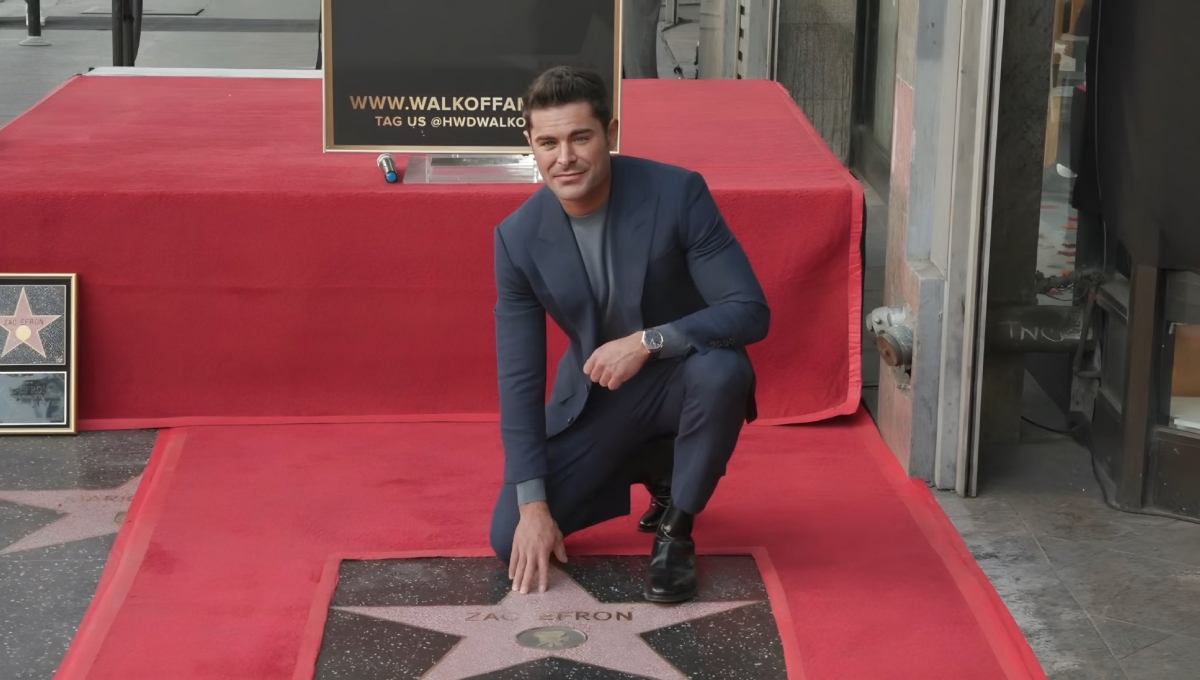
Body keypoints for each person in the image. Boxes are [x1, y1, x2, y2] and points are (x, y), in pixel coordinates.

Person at [489, 66, 769, 603]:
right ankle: (653, 462)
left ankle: (675, 530)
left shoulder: (676, 193)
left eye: (580, 137)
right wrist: (532, 506)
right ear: (530, 144)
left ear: (610, 134)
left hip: (685, 378)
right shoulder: (517, 238)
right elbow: (519, 377)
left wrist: (649, 340)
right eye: (547, 142)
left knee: (723, 370)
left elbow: (749, 311)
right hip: (598, 398)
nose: (564, 157)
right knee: (510, 539)